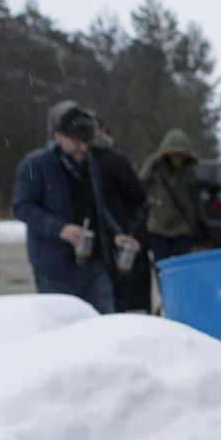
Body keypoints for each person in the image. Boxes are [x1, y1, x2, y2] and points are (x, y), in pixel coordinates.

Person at [11, 103, 137, 314]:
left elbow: (99, 207)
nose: (83, 148)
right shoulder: (36, 164)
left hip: (95, 263)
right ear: (58, 136)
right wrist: (60, 229)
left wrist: (116, 234)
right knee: (63, 327)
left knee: (105, 322)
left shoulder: (90, 164)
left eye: (86, 142)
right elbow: (22, 207)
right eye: (76, 141)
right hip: (55, 267)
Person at [91, 121, 149, 310]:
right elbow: (139, 194)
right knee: (121, 293)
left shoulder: (73, 162)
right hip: (120, 234)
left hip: (94, 236)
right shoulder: (114, 160)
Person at [138, 128, 208, 263]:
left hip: (182, 227)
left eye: (180, 154)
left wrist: (200, 223)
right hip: (158, 226)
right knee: (162, 267)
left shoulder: (189, 172)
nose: (177, 158)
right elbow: (140, 185)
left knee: (182, 267)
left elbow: (195, 199)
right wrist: (151, 163)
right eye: (174, 154)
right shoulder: (155, 168)